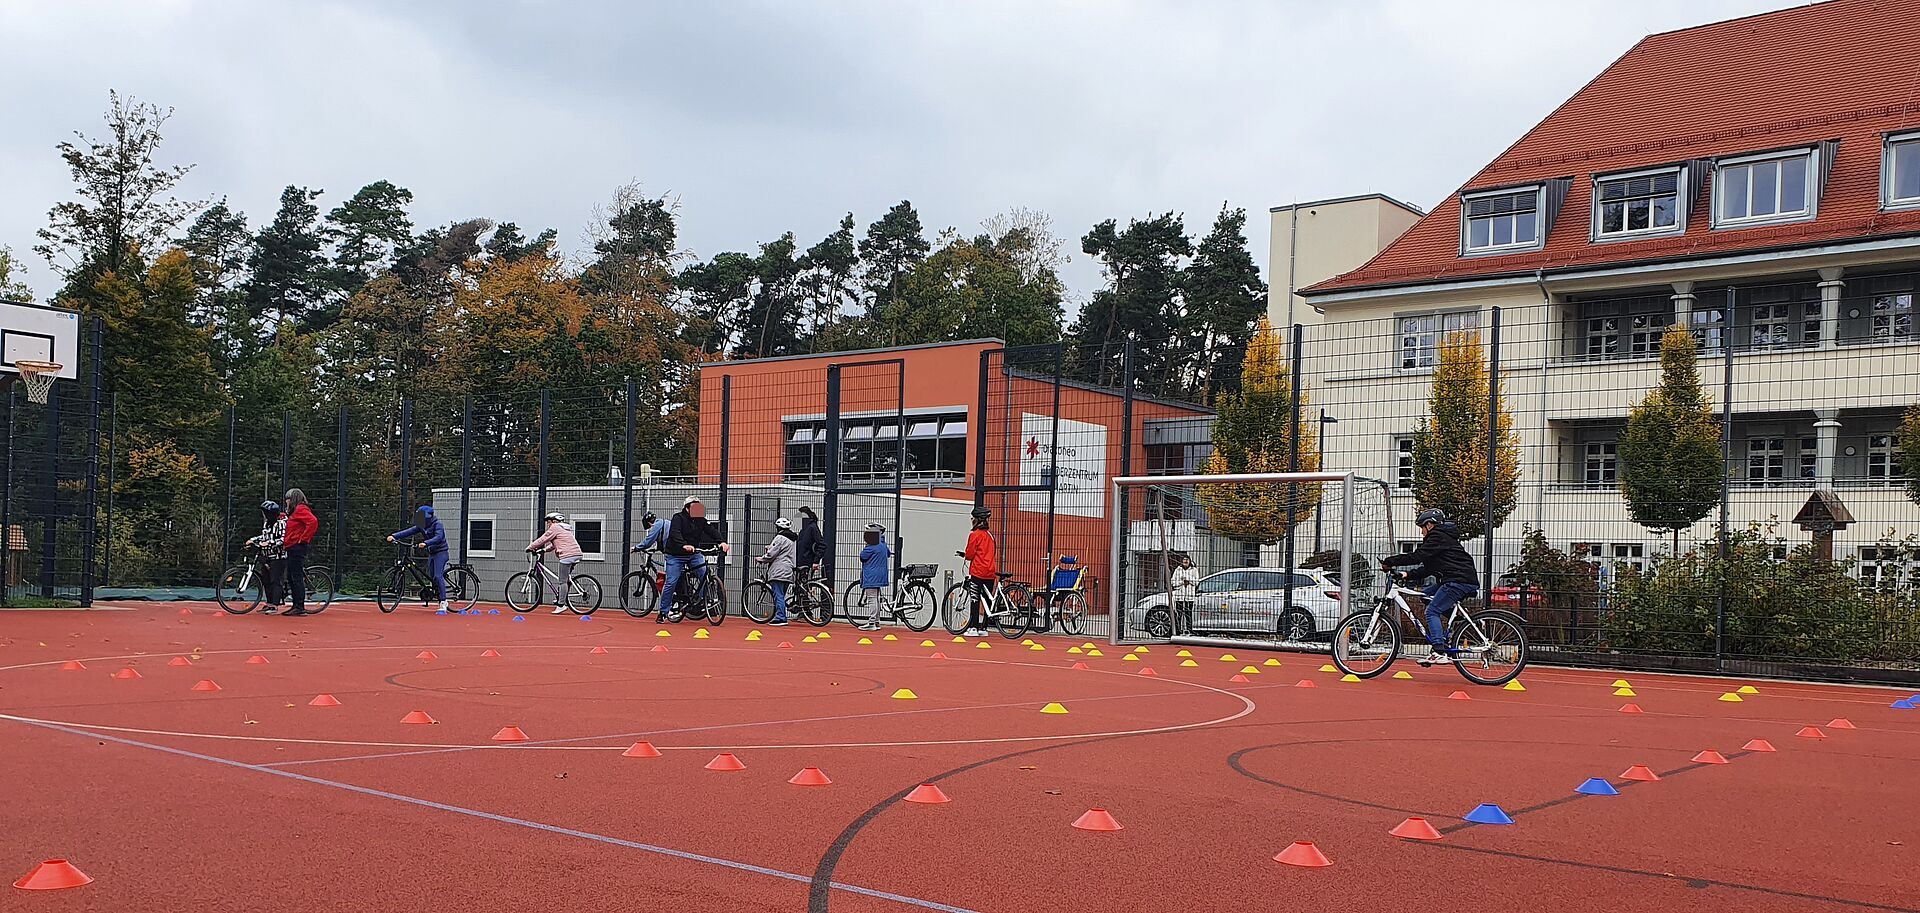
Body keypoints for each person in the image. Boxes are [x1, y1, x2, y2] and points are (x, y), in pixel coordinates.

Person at [1380, 508, 1480, 665]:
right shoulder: (1442, 538)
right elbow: (1428, 568)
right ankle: (1460, 620)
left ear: (1430, 525)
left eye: (1422, 528)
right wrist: (1406, 575)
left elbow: (1417, 556)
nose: (1421, 533)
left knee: (1432, 611)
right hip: (1456, 579)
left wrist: (1391, 561)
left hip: (1458, 581)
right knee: (1427, 595)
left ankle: (1439, 651)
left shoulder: (1437, 536)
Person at [660, 496, 728, 623]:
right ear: (686, 508)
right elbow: (675, 533)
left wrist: (722, 542)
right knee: (671, 581)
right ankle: (664, 612)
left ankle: (704, 601)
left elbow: (711, 531)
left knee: (704, 573)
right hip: (676, 555)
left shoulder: (700, 520)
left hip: (693, 554)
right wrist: (683, 545)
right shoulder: (678, 518)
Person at [387, 505, 450, 612]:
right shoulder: (421, 525)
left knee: (438, 576)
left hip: (441, 552)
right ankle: (435, 593)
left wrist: (426, 543)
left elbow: (438, 537)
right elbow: (409, 531)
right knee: (432, 577)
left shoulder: (437, 524)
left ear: (429, 517)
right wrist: (394, 536)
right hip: (432, 552)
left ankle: (443, 601)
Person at [527, 511, 584, 614]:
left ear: (554, 521)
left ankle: (561, 605)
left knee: (562, 581)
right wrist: (543, 550)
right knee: (565, 578)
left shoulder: (555, 528)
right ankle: (561, 597)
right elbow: (554, 545)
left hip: (567, 556)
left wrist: (530, 547)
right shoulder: (565, 529)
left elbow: (543, 539)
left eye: (548, 522)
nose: (548, 525)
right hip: (576, 554)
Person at [958, 507, 996, 637]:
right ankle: (984, 627)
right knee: (987, 599)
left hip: (978, 571)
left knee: (974, 598)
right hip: (990, 571)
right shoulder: (990, 535)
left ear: (976, 520)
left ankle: (973, 627)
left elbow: (969, 554)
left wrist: (966, 555)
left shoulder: (974, 535)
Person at [281, 489, 318, 617]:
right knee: (292, 576)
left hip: (297, 546)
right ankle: (296, 605)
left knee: (296, 577)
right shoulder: (294, 511)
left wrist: (303, 539)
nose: (286, 501)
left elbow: (313, 522)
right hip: (292, 546)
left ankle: (299, 606)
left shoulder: (301, 509)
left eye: (288, 498)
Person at [247, 501, 288, 614]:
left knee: (276, 580)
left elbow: (283, 539)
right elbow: (264, 535)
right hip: (267, 556)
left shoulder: (281, 524)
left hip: (278, 556)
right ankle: (269, 603)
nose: (265, 515)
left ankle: (275, 605)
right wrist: (254, 539)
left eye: (266, 512)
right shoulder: (267, 523)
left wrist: (269, 543)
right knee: (266, 580)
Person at [756, 516, 798, 625]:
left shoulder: (779, 537)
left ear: (778, 527)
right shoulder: (792, 539)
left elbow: (772, 554)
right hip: (789, 569)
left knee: (778, 594)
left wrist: (762, 558)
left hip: (778, 570)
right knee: (781, 594)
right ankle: (781, 615)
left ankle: (780, 617)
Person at [855, 522, 890, 631]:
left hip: (871, 575)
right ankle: (877, 621)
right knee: (876, 598)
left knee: (872, 599)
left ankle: (871, 622)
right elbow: (888, 553)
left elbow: (862, 556)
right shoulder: (883, 544)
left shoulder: (871, 546)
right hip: (881, 574)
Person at [1170, 554, 1200, 634]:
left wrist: (1188, 579)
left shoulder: (1194, 570)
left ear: (1189, 561)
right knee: (1179, 613)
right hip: (1179, 595)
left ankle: (1189, 629)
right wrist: (1182, 582)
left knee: (1188, 613)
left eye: (1187, 560)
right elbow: (1173, 582)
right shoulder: (1178, 570)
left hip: (1189, 596)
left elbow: (1196, 582)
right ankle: (1177, 630)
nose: (1185, 562)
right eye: (1184, 560)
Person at [794, 506, 824, 583]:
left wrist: (816, 561)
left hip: (807, 563)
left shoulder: (812, 528)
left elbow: (822, 545)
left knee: (805, 584)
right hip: (801, 563)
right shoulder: (805, 528)